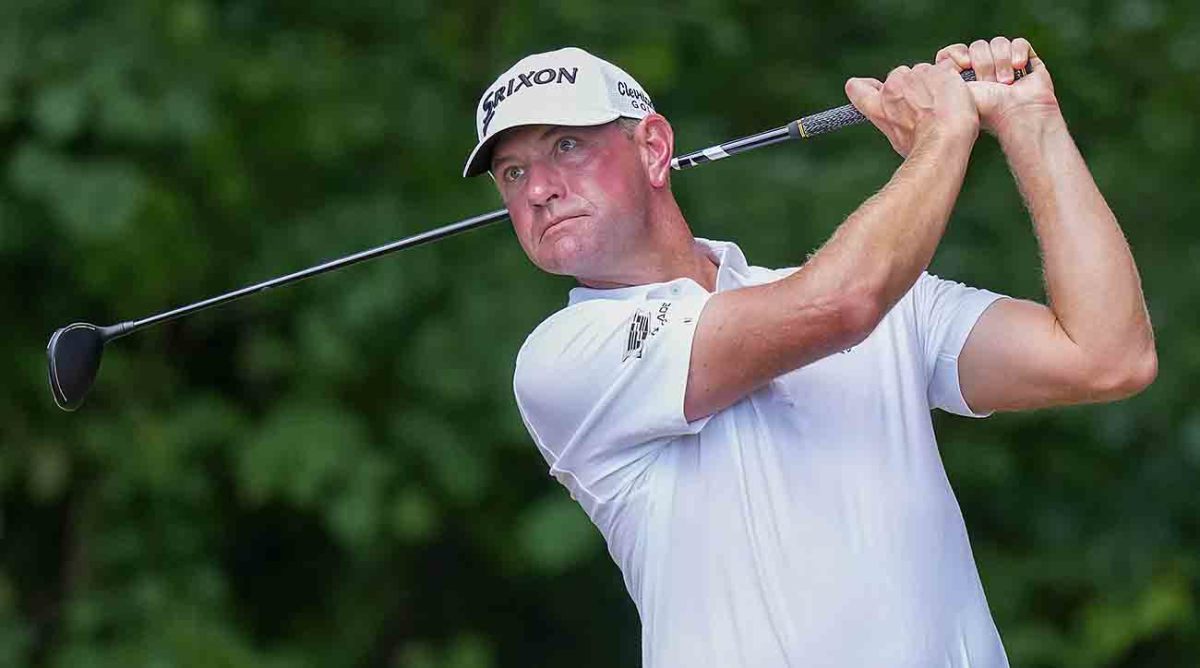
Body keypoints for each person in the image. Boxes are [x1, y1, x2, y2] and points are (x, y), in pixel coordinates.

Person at [461, 41, 1156, 667]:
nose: (541, 190)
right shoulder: (563, 358)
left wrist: (1029, 124)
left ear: (652, 149)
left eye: (567, 148)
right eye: (513, 173)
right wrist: (944, 135)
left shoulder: (895, 302)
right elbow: (839, 305)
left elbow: (1106, 355)